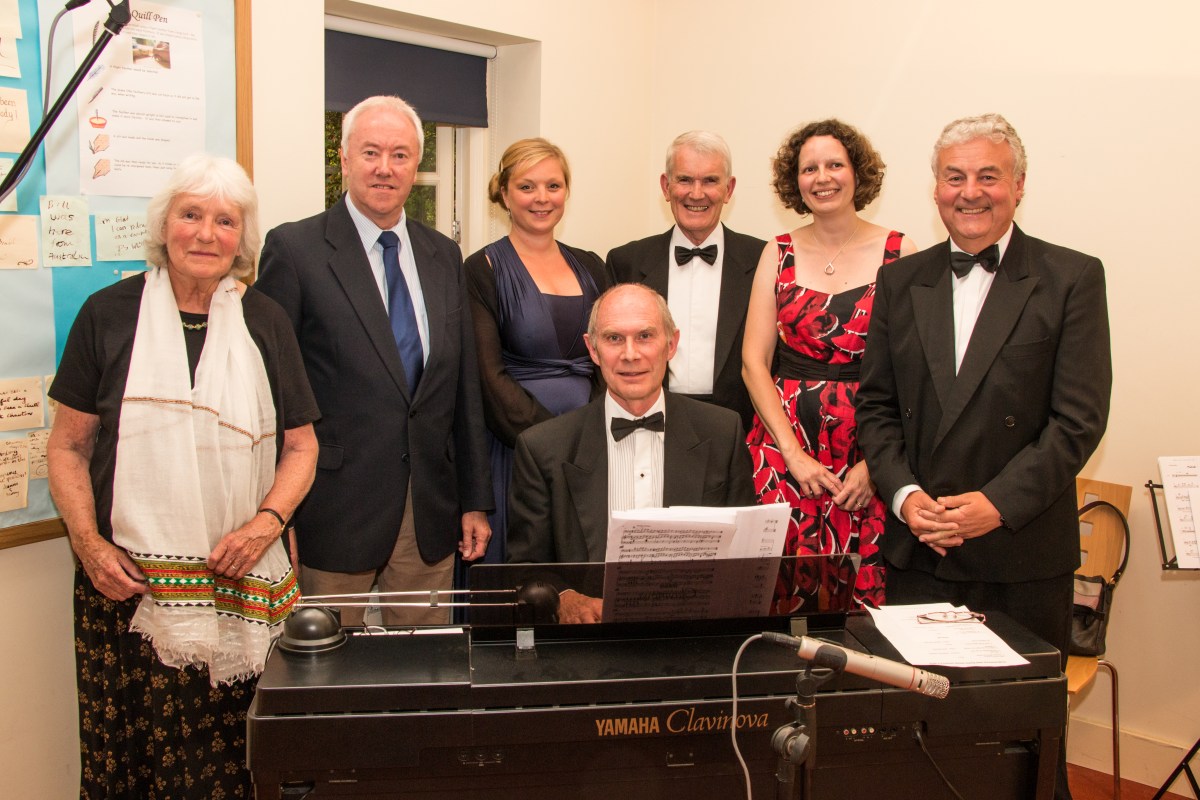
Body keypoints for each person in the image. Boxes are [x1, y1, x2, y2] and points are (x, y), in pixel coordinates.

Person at [47, 153, 320, 798]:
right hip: (127, 591)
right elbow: (67, 448)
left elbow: (302, 447)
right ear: (163, 225)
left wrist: (266, 524)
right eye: (190, 214)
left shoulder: (266, 322)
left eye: (225, 221)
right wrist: (88, 545)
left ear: (243, 239)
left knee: (231, 766)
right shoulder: (105, 315)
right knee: (133, 765)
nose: (206, 233)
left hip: (241, 586)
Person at [855, 114, 1111, 800]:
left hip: (1021, 557)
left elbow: (1078, 421)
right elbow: (875, 407)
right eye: (954, 176)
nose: (970, 192)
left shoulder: (1071, 278)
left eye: (987, 176)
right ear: (935, 188)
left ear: (1019, 186)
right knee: (918, 742)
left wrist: (994, 507)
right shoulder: (902, 280)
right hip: (921, 550)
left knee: (1020, 746)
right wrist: (907, 497)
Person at [255, 95, 492, 626]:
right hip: (332, 508)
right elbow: (270, 393)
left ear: (416, 165)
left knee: (423, 670)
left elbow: (462, 389)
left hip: (428, 511)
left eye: (401, 155)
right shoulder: (294, 250)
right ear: (343, 158)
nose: (385, 168)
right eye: (371, 152)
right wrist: (277, 511)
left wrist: (475, 499)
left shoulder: (443, 255)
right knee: (327, 679)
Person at [742, 120, 917, 611]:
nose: (823, 177)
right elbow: (754, 363)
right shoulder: (776, 251)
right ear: (793, 181)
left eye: (834, 164)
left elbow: (914, 377)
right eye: (809, 168)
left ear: (857, 172)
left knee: (862, 595)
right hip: (783, 445)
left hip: (868, 445)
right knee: (776, 588)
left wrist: (875, 466)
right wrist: (793, 455)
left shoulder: (901, 253)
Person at [507, 283, 756, 623]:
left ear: (671, 344)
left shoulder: (723, 432)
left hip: (695, 636)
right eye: (613, 339)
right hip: (590, 647)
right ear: (592, 350)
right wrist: (566, 598)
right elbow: (525, 570)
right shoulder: (542, 447)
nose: (630, 354)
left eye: (644, 336)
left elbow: (746, 554)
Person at [465, 138, 608, 563]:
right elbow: (488, 378)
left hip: (591, 449)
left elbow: (612, 359)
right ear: (504, 194)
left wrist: (593, 435)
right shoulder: (481, 269)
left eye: (553, 185)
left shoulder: (593, 265)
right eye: (527, 187)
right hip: (516, 449)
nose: (542, 198)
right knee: (523, 580)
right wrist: (550, 444)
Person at [606, 131, 766, 430]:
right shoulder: (626, 261)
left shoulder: (763, 260)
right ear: (666, 187)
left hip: (741, 429)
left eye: (710, 181)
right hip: (650, 423)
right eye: (684, 180)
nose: (696, 193)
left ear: (729, 189)